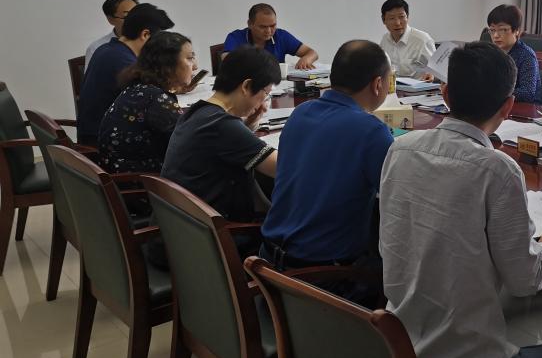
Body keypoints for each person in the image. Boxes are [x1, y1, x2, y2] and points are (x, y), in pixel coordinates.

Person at [379, 42, 542, 358]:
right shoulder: (497, 170)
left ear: (445, 94)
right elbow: (525, 281)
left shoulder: (400, 150)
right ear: (508, 106)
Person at [260, 40, 394, 301]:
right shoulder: (371, 132)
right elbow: (399, 201)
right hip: (322, 280)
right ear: (378, 84)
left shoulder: (301, 112)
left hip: (268, 264)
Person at [162, 45, 280, 228]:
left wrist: (246, 127)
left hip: (183, 228)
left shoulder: (197, 111)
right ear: (246, 86)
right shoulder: (222, 126)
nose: (263, 102)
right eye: (265, 93)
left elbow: (223, 146)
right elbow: (283, 168)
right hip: (219, 233)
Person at [97, 31, 196, 174]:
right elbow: (191, 144)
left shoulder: (139, 88)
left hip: (119, 174)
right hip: (140, 181)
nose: (195, 66)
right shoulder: (156, 99)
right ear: (168, 65)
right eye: (190, 58)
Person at [77, 3, 175, 144]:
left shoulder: (106, 49)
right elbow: (154, 100)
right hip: (103, 143)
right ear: (145, 35)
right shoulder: (124, 62)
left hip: (93, 134)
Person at [223, 3, 318, 70]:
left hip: (277, 88)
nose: (269, 31)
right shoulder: (235, 37)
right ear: (250, 24)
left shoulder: (281, 36)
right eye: (263, 27)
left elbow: (312, 53)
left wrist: (306, 59)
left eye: (273, 26)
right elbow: (226, 60)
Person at [486, 4, 541, 104]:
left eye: (502, 29)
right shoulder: (491, 52)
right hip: (497, 106)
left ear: (517, 31)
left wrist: (496, 93)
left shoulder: (527, 55)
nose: (496, 35)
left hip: (523, 108)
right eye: (492, 30)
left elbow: (528, 93)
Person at [379, 0, 436, 79]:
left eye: (401, 17)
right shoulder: (385, 39)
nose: (397, 23)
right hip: (392, 86)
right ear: (383, 20)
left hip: (418, 86)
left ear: (407, 17)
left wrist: (432, 75)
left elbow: (437, 72)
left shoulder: (422, 40)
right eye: (392, 18)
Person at [85, 0, 137, 68]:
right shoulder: (97, 48)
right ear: (111, 19)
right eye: (126, 16)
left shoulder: (149, 42)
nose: (135, 20)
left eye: (138, 14)